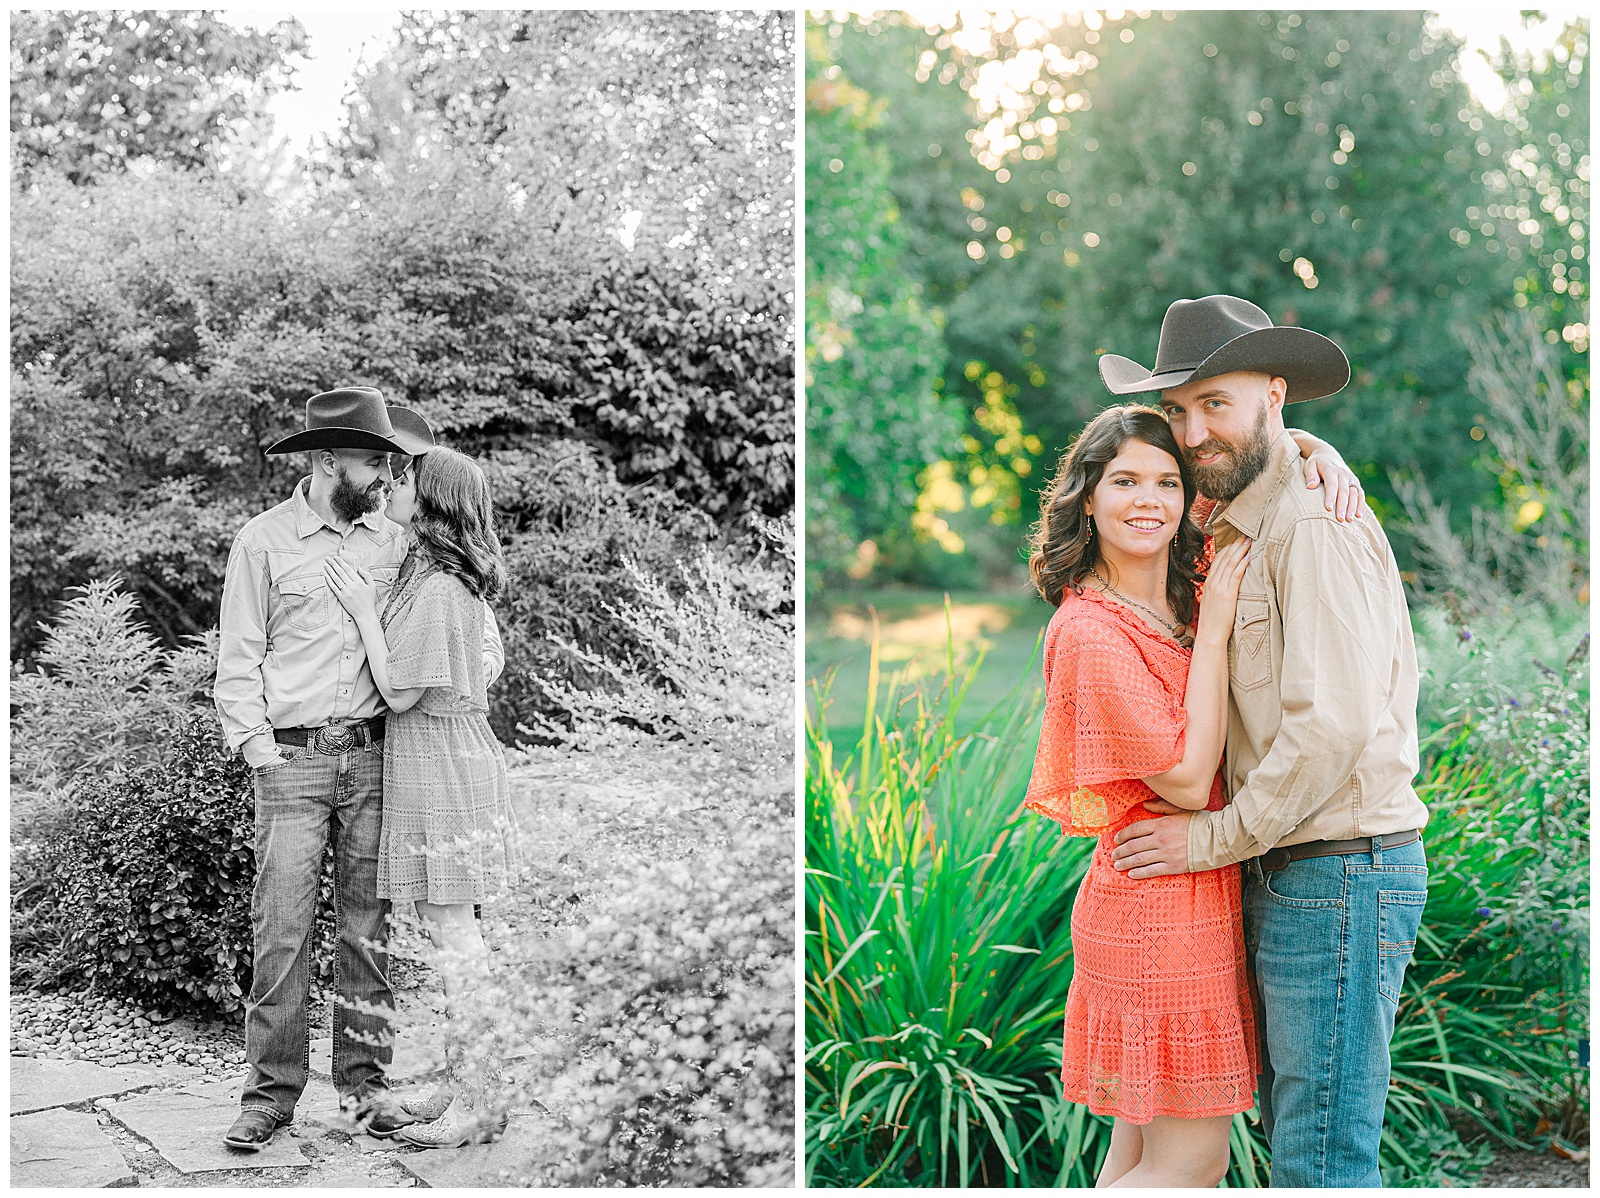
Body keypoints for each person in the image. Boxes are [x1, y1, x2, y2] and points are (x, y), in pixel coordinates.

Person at [1101, 295, 1430, 1188]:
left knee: (1321, 1155)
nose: (1194, 429)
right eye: (1179, 410)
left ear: (1275, 395)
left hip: (1340, 869)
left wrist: (1206, 840)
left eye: (1217, 402)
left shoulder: (1309, 523)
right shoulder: (1243, 512)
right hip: (1291, 864)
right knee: (1306, 1132)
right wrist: (1315, 452)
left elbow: (1330, 725)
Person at [214, 387, 498, 1151]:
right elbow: (237, 656)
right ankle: (270, 1095)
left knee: (368, 937)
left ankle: (363, 1092)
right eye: (375, 461)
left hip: (380, 761)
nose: (385, 475)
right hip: (293, 760)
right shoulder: (263, 542)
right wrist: (257, 747)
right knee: (280, 933)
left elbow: (471, 628)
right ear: (327, 459)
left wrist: (460, 692)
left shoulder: (398, 543)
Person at [1024, 405, 1258, 1187]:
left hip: (1189, 900)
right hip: (1154, 918)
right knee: (1189, 1170)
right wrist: (1219, 628)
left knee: (1135, 1162)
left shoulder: (1178, 593)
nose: (1147, 499)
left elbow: (1257, 450)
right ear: (1087, 497)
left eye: (1166, 480)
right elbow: (1189, 782)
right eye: (1123, 480)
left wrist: (1324, 458)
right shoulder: (1093, 631)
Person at [324, 443, 521, 1149]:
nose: (391, 487)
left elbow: (400, 688)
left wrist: (362, 612)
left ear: (429, 498)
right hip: (437, 761)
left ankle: (484, 1102)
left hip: (444, 767)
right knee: (449, 938)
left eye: (404, 479)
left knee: (456, 939)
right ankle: (460, 1084)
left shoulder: (440, 587)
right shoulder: (430, 572)